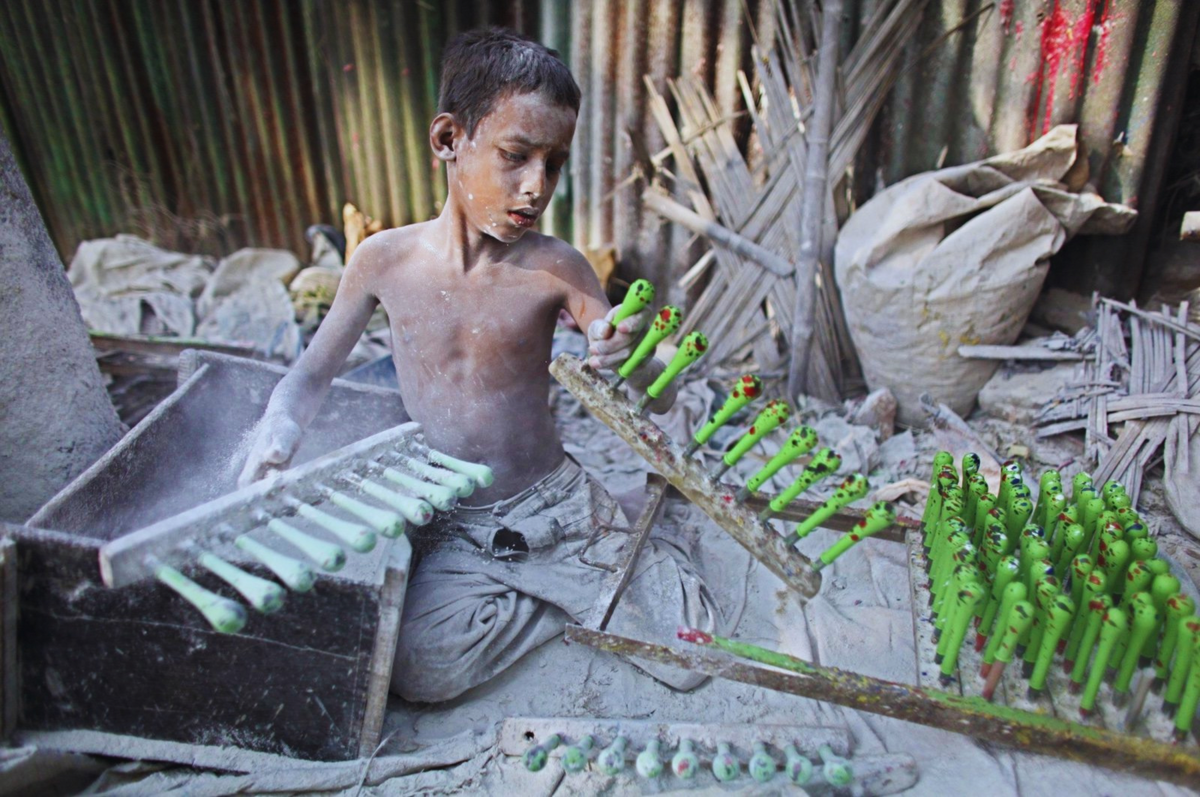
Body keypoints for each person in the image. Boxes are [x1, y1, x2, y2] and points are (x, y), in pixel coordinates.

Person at [239, 27, 718, 702]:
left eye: (554, 164)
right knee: (420, 668)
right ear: (448, 141)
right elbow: (311, 374)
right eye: (516, 156)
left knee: (687, 653)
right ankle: (576, 595)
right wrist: (279, 424)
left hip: (554, 507)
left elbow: (654, 392)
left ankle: (621, 543)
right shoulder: (383, 261)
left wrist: (630, 357)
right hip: (452, 518)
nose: (536, 187)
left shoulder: (557, 267)